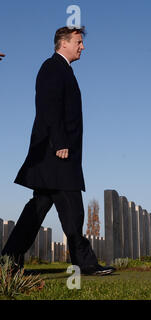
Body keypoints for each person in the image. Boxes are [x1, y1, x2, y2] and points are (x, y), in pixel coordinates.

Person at [1, 27, 115, 276]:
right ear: (63, 43)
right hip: (57, 154)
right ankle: (85, 264)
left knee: (37, 211)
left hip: (53, 157)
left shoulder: (63, 70)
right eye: (78, 42)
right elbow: (47, 107)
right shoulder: (52, 67)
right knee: (73, 209)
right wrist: (61, 142)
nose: (82, 47)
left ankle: (7, 262)